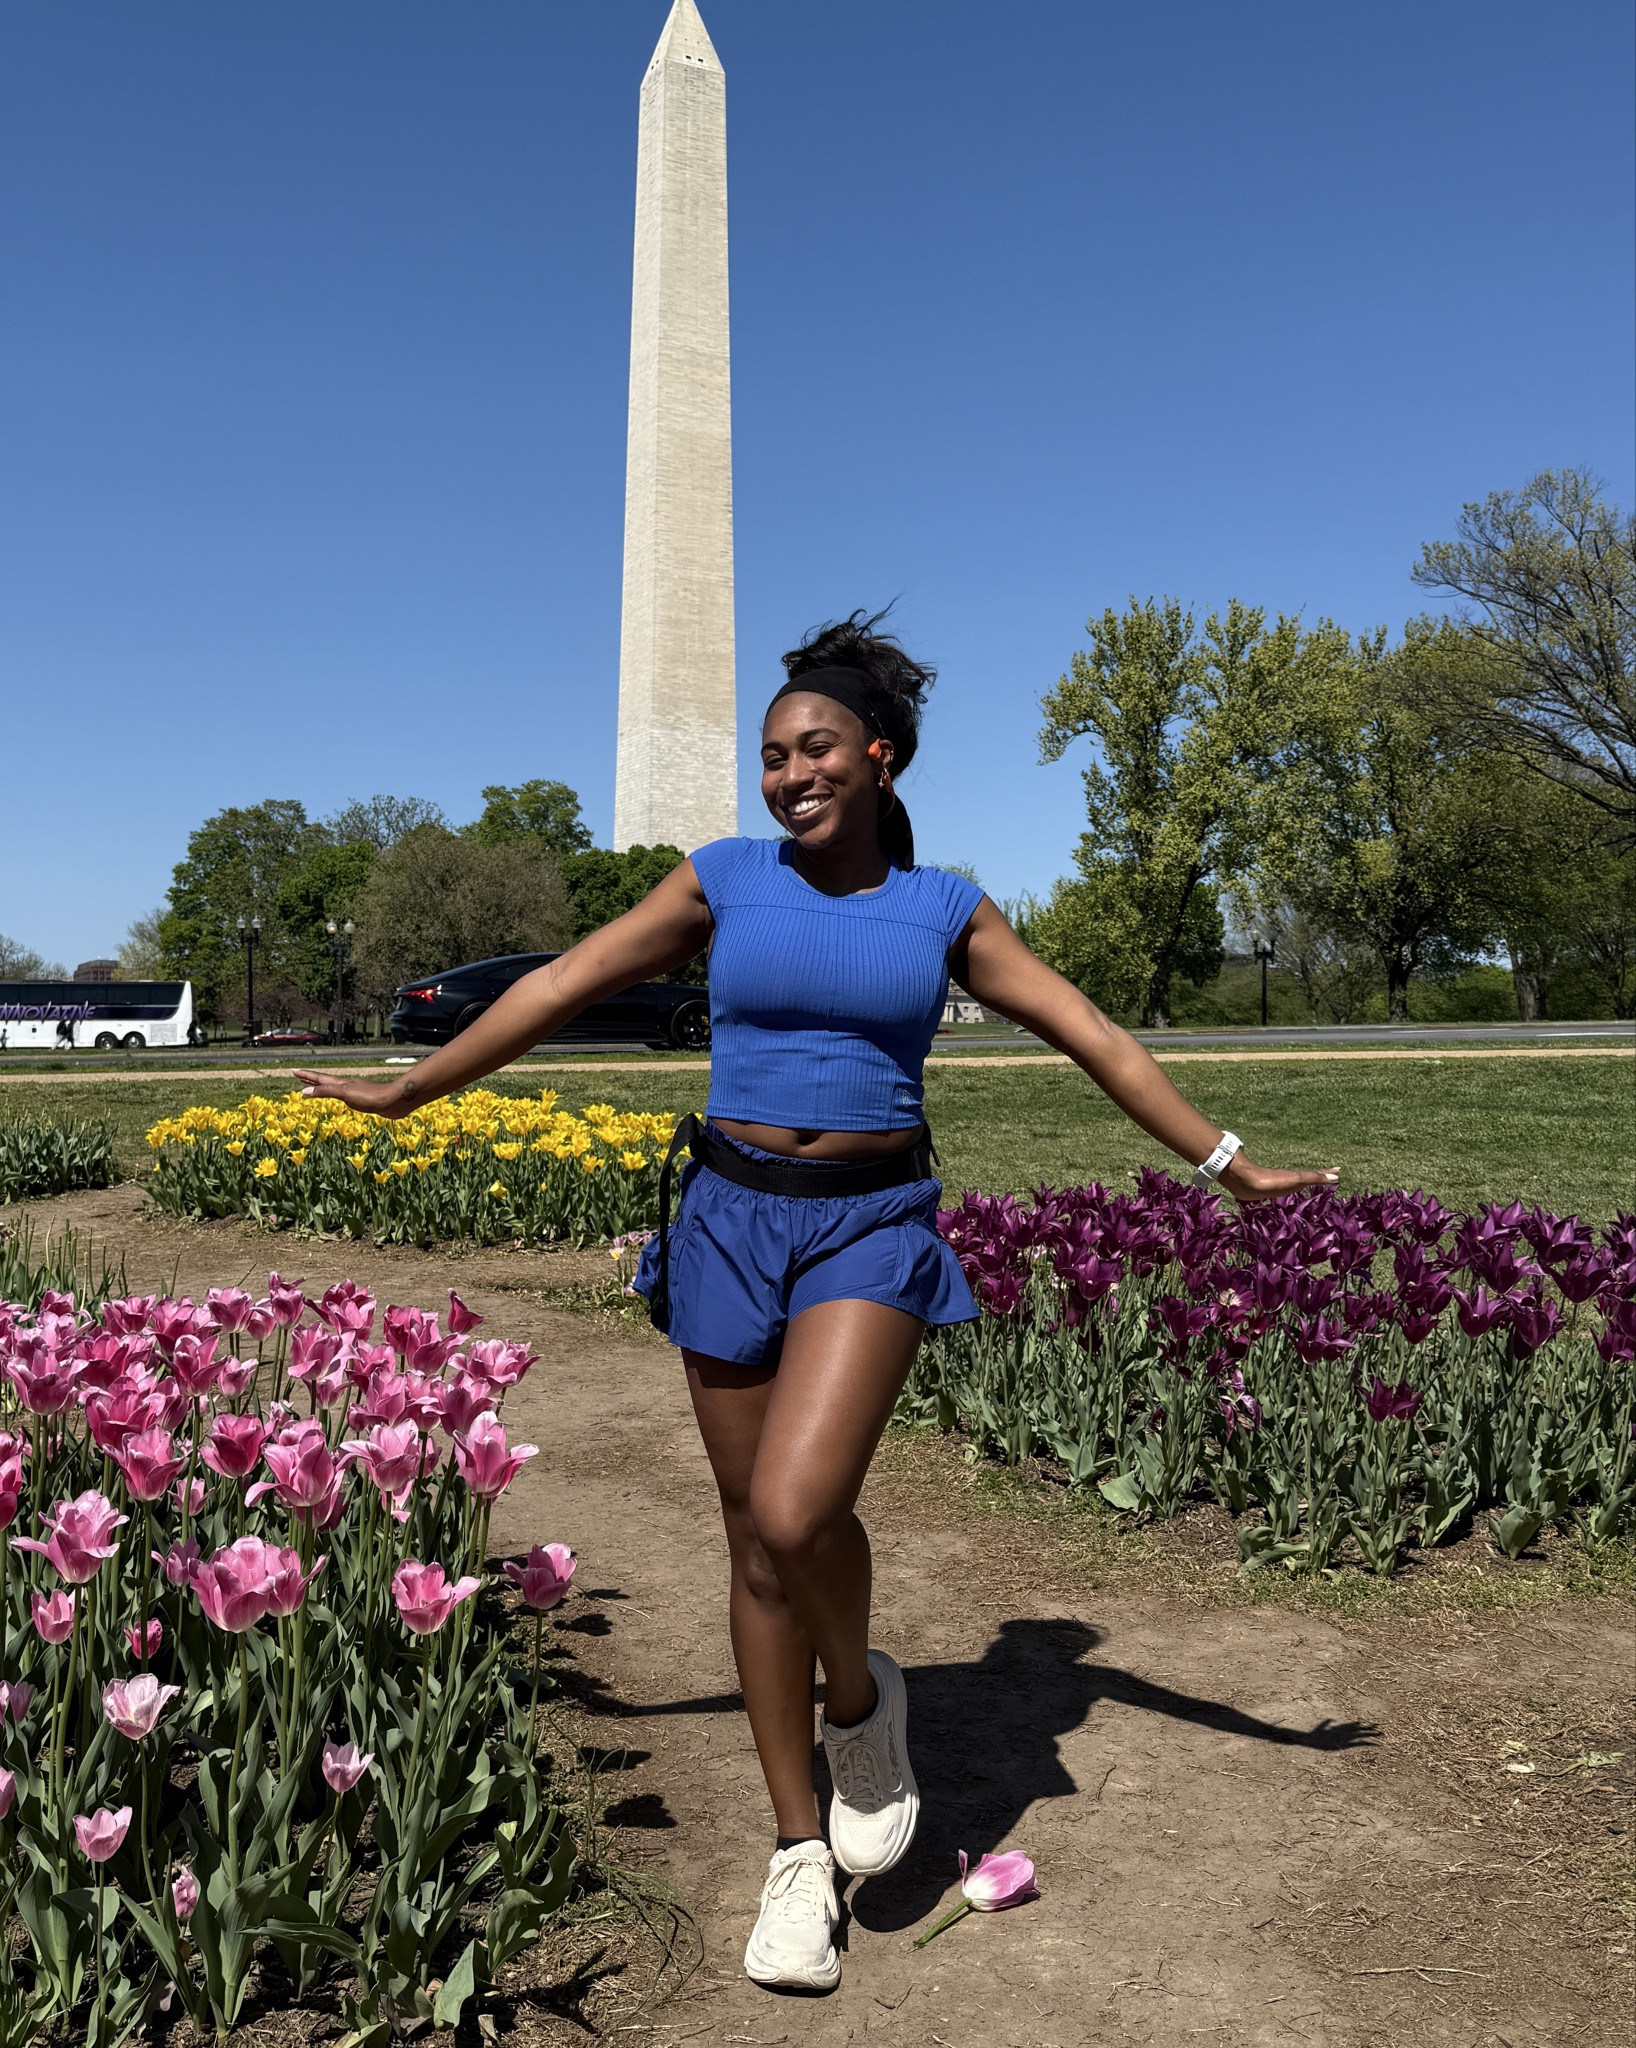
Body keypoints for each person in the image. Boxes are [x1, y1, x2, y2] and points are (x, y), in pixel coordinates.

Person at [295, 610, 1337, 1995]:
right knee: (751, 1539)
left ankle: (860, 1703)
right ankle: (799, 1854)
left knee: (797, 1512)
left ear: (880, 757)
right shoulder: (721, 880)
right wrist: (406, 1088)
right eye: (774, 754)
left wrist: (1228, 1164)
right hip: (726, 1218)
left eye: (816, 748)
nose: (789, 773)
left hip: (870, 1223)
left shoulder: (944, 909)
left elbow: (1091, 1030)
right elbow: (558, 981)